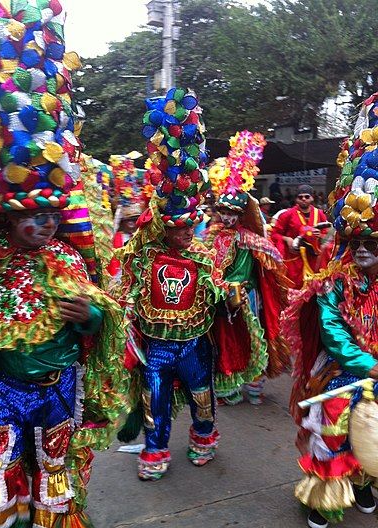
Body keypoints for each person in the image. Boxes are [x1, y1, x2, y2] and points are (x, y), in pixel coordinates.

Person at [0, 1, 130, 528]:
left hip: (60, 384)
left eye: (52, 217)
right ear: (8, 215)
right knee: (5, 464)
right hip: (4, 387)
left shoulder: (67, 257)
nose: (42, 226)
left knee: (56, 465)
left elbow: (103, 315)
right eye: (30, 217)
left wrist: (91, 316)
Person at [117, 88, 227, 481]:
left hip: (195, 343)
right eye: (174, 229)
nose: (182, 235)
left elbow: (217, 290)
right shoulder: (145, 254)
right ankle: (155, 448)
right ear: (162, 225)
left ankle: (203, 437)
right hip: (158, 345)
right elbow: (127, 288)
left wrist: (227, 296)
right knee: (154, 400)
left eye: (187, 228)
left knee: (202, 396)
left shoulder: (203, 254)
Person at [282, 90, 378, 528]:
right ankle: (322, 497)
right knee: (332, 428)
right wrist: (368, 365)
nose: (361, 251)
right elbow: (333, 332)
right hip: (342, 372)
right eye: (355, 243)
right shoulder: (330, 285)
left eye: (371, 244)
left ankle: (363, 481)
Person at [206, 132, 289, 406]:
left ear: (241, 215)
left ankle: (254, 386)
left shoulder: (248, 238)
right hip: (220, 297)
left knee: (252, 338)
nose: (227, 216)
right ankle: (227, 387)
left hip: (247, 297)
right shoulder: (213, 235)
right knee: (225, 341)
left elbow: (273, 259)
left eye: (232, 213)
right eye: (223, 211)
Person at [271, 184, 330, 289]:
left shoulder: (319, 213)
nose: (303, 199)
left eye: (307, 196)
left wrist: (320, 235)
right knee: (295, 290)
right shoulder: (288, 214)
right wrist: (287, 239)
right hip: (294, 260)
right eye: (300, 197)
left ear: (312, 198)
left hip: (314, 259)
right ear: (296, 199)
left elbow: (327, 234)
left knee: (314, 290)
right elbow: (275, 233)